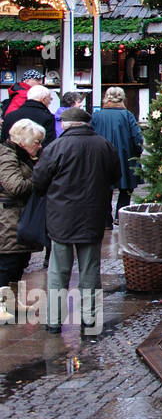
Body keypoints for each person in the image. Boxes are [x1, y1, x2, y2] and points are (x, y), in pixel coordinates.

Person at [31, 107, 119, 336]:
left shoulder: (55, 148)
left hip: (61, 218)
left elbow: (39, 182)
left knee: (58, 271)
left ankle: (53, 320)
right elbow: (115, 176)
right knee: (90, 270)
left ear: (66, 124)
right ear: (86, 124)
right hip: (93, 216)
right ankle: (90, 319)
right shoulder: (104, 146)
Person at [0, 119, 46, 323]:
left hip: (19, 214)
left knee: (19, 260)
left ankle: (11, 300)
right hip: (8, 215)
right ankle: (1, 304)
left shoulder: (23, 155)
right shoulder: (7, 155)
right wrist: (39, 177)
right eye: (36, 141)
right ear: (23, 141)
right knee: (8, 262)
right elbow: (15, 186)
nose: (39, 146)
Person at [91, 87, 144, 224]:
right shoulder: (127, 115)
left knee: (104, 189)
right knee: (126, 189)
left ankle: (106, 220)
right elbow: (137, 138)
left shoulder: (97, 116)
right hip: (125, 157)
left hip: (102, 157)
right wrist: (137, 153)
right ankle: (121, 217)